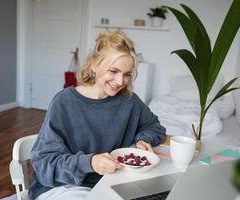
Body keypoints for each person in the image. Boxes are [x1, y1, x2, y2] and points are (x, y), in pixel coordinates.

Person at [28, 31, 166, 200]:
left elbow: (154, 127)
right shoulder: (64, 102)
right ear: (94, 64)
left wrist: (143, 139)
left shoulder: (130, 102)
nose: (120, 81)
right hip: (65, 187)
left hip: (112, 183)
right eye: (113, 71)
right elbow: (45, 163)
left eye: (127, 74)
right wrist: (90, 163)